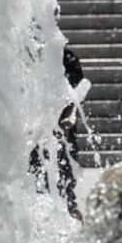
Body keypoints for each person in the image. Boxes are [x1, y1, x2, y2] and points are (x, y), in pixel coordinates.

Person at [29, 47, 84, 221]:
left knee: (65, 175)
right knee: (29, 177)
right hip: (33, 128)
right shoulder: (24, 55)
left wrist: (68, 119)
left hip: (62, 124)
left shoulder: (66, 57)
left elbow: (78, 92)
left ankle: (71, 213)